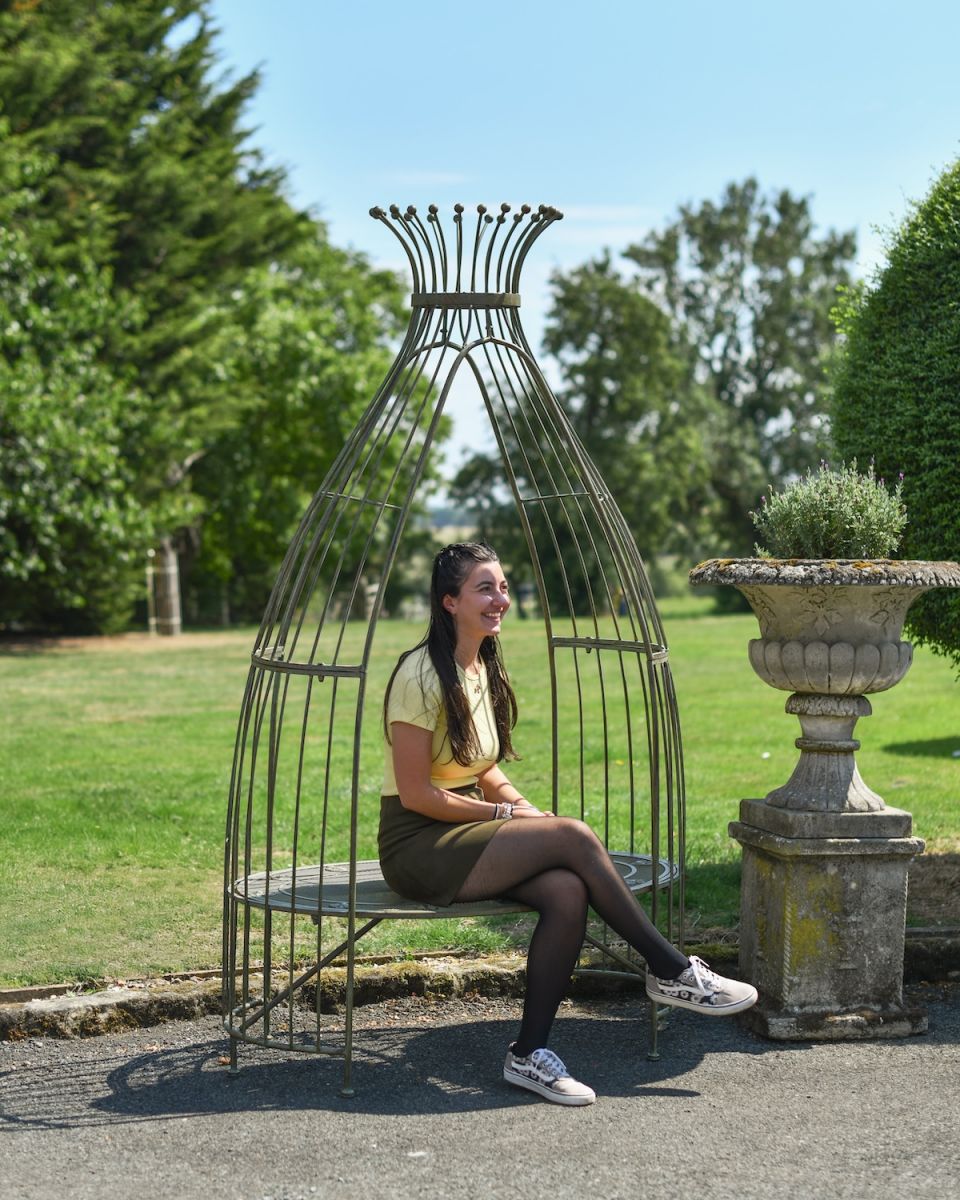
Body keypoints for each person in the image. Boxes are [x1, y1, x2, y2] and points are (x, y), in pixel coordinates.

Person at [379, 542, 757, 1107]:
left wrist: (526, 810)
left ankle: (528, 1055)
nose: (500, 599)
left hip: (464, 831)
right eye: (485, 588)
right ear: (449, 601)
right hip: (418, 843)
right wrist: (504, 815)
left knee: (565, 888)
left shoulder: (480, 666)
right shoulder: (419, 674)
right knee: (574, 836)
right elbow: (417, 794)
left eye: (503, 587)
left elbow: (483, 769)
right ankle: (671, 969)